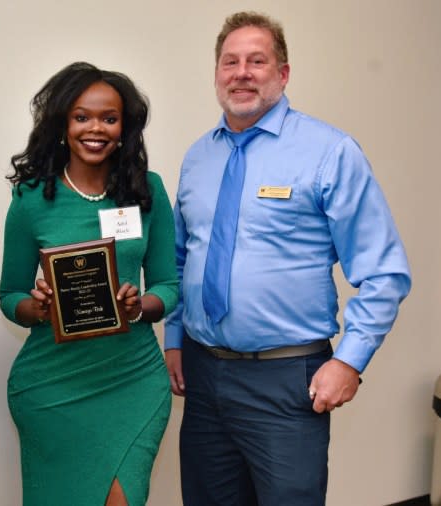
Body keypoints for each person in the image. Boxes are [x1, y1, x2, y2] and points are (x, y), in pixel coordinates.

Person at [164, 12, 412, 506]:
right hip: (204, 377)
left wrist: (349, 360)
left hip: (285, 381)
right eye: (230, 62)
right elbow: (179, 257)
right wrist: (174, 337)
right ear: (216, 73)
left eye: (258, 61)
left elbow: (384, 272)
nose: (242, 72)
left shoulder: (329, 152)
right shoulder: (198, 158)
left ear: (283, 74)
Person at [0, 62, 179, 506]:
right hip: (52, 388)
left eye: (109, 118)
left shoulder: (147, 190)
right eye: (82, 116)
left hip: (133, 380)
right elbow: (10, 295)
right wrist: (36, 308)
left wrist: (141, 306)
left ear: (124, 128)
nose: (95, 128)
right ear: (63, 124)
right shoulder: (31, 198)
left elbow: (170, 285)